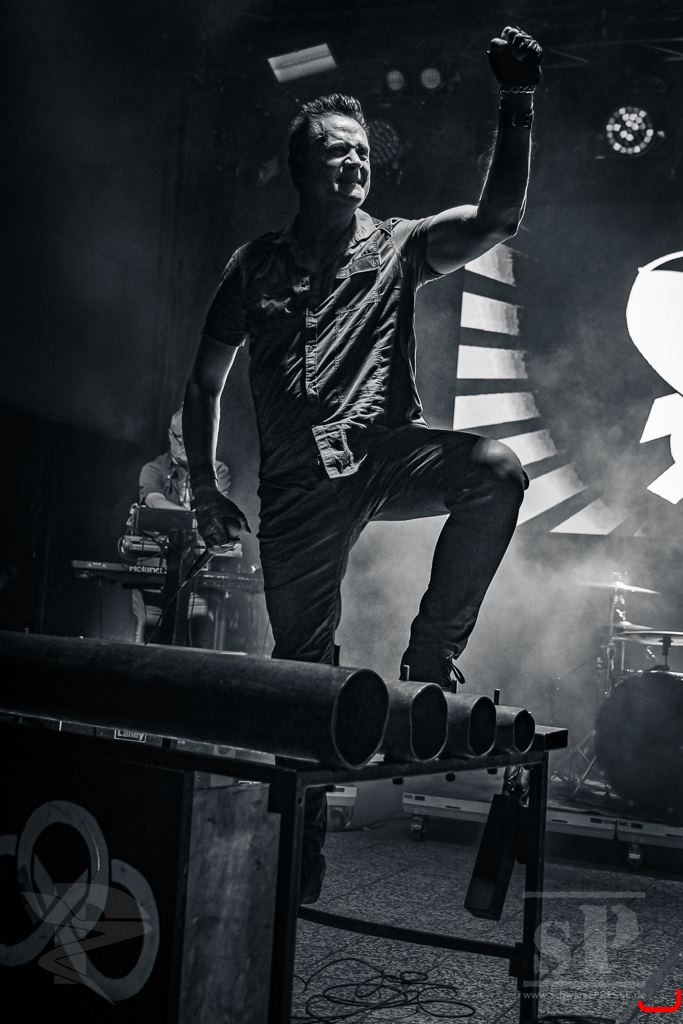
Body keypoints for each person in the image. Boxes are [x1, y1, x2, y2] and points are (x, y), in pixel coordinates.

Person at [182, 26, 542, 902]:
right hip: (298, 492)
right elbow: (203, 383)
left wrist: (517, 102)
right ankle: (297, 853)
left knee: (496, 471)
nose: (353, 164)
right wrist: (201, 489)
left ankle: (430, 658)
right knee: (303, 681)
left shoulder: (398, 247)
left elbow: (495, 219)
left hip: (384, 456)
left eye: (361, 154)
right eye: (335, 152)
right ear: (300, 169)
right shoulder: (254, 268)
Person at [129, 406, 232, 644]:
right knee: (149, 647)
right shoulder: (154, 469)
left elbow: (217, 512)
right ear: (170, 435)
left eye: (192, 438)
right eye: (180, 438)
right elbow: (154, 501)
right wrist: (192, 517)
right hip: (155, 582)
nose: (186, 444)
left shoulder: (219, 470)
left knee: (198, 646)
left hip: (198, 583)